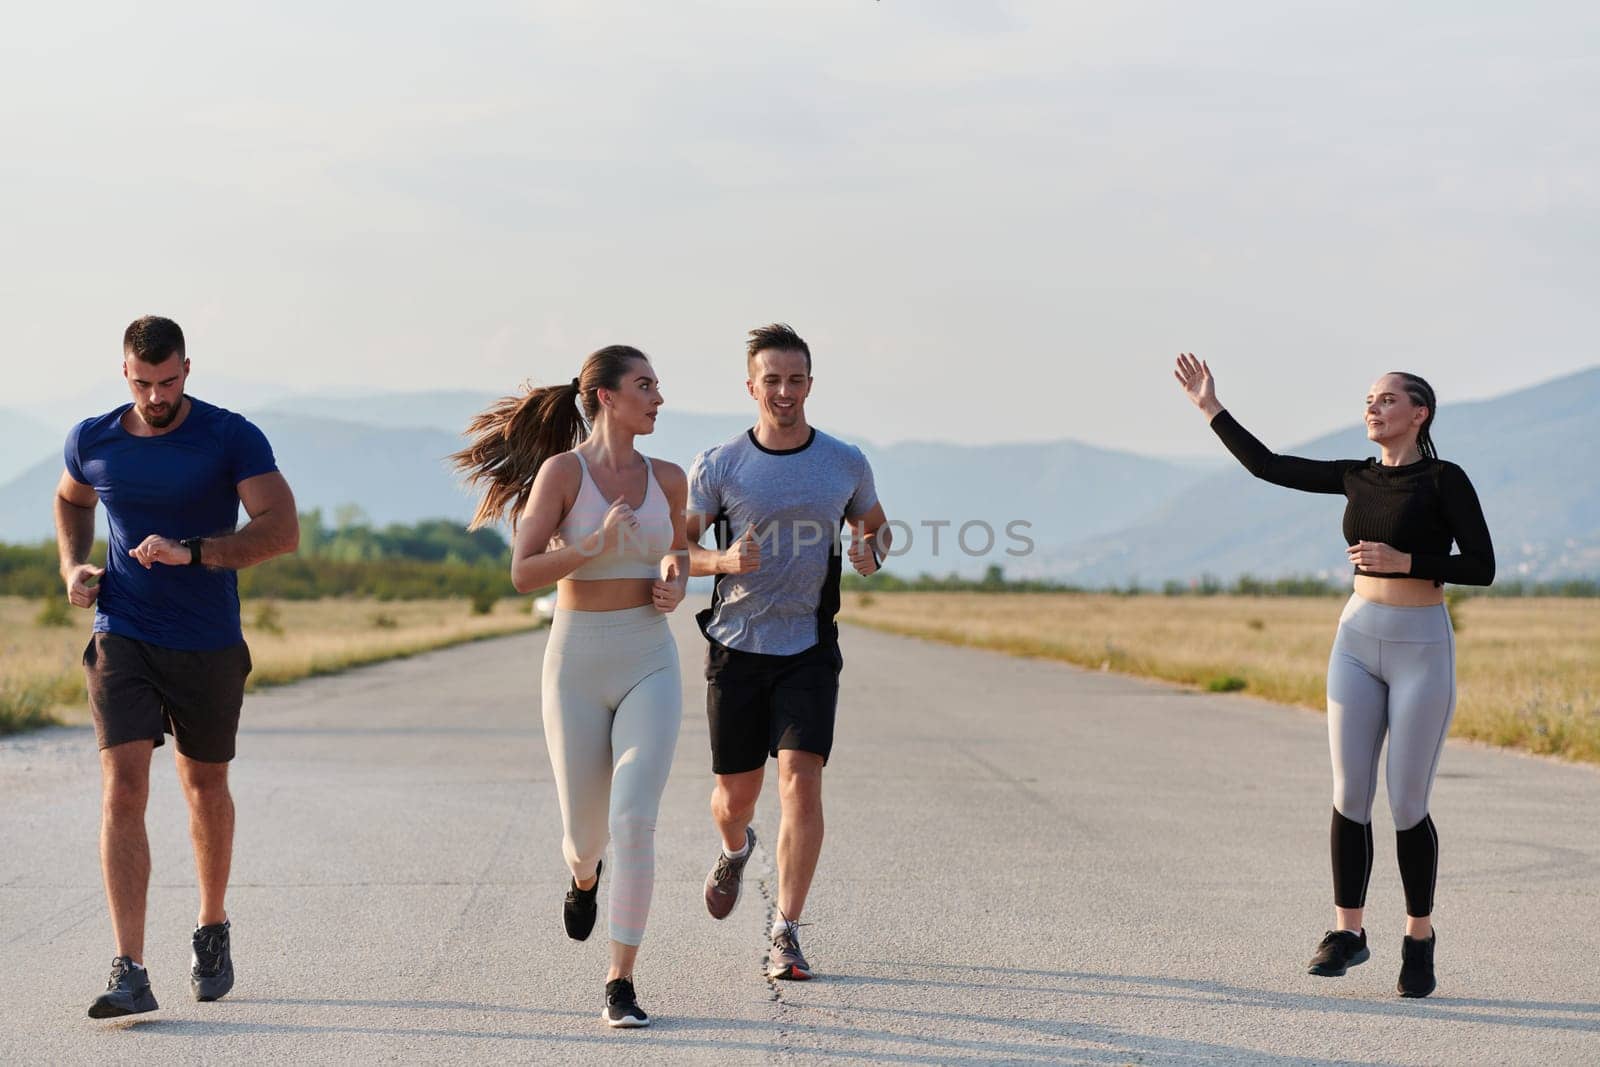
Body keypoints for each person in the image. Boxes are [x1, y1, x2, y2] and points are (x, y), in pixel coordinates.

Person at [1173, 353, 1494, 998]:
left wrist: (1406, 559)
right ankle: (1347, 932)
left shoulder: (1444, 480)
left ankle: (1419, 936)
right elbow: (1268, 466)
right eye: (1368, 399)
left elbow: (1482, 566)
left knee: (1406, 802)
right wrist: (1210, 407)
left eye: (1386, 399)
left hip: (1421, 646)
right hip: (1355, 640)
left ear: (1419, 413)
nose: (1372, 408)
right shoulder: (1356, 477)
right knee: (1350, 793)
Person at [56, 315, 300, 1018]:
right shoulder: (92, 438)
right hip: (123, 631)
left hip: (206, 638)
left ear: (187, 370)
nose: (156, 395)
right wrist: (74, 564)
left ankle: (211, 923)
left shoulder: (230, 435)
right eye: (143, 382)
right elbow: (71, 499)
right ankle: (129, 967)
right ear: (124, 372)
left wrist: (194, 551)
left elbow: (280, 529)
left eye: (167, 382)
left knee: (203, 784)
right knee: (123, 788)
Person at [452, 345, 689, 1028]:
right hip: (577, 661)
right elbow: (524, 572)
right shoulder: (563, 473)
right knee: (586, 835)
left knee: (634, 818)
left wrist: (675, 578)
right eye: (646, 385)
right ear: (606, 396)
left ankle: (620, 980)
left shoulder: (669, 477)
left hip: (650, 654)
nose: (659, 398)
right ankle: (584, 877)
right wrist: (591, 546)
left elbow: (679, 547)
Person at [686, 323, 890, 981]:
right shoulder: (719, 464)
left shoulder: (844, 461)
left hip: (808, 646)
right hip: (737, 648)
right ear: (751, 386)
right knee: (734, 797)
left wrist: (870, 553)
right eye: (770, 379)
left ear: (810, 384)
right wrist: (720, 557)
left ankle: (787, 930)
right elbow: (676, 550)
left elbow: (877, 532)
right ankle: (734, 845)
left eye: (795, 379)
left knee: (801, 777)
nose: (783, 391)